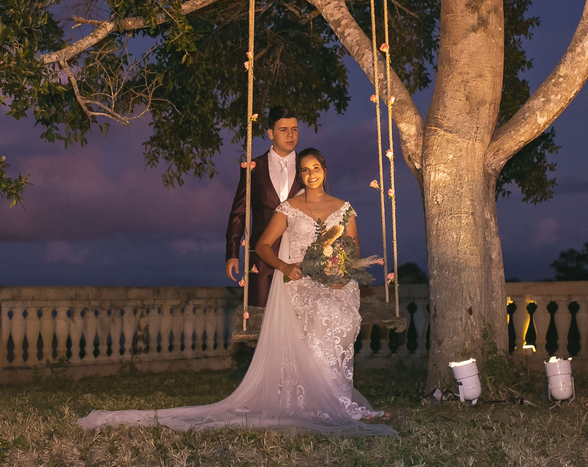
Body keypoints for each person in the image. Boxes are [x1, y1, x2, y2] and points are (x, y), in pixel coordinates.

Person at [77, 148, 396, 436]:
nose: (311, 174)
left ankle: (335, 398)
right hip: (299, 281)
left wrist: (339, 272)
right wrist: (286, 268)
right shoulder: (290, 207)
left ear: (325, 169)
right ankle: (314, 401)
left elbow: (351, 251)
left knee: (339, 312)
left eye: (316, 168)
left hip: (337, 283)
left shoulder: (345, 208)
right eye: (305, 170)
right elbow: (262, 246)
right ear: (300, 175)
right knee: (321, 311)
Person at [225, 106, 302, 307]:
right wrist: (232, 253)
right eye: (283, 129)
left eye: (294, 129)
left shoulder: (307, 166)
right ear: (270, 133)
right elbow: (239, 211)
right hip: (262, 257)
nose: (290, 135)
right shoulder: (254, 168)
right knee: (260, 318)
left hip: (300, 255)